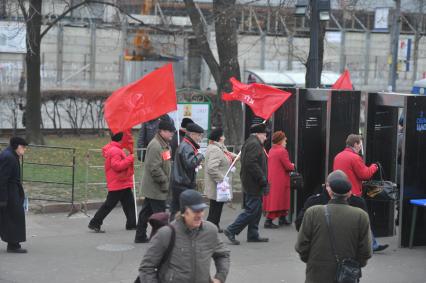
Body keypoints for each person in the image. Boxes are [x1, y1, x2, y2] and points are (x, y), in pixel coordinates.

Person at [295, 170, 372, 283]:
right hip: (347, 272)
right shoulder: (360, 211)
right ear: (349, 191)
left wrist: (311, 259)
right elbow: (365, 250)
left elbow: (302, 243)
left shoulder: (313, 207)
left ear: (328, 188)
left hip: (317, 271)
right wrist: (356, 264)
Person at [138, 190, 230, 283]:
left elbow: (223, 255)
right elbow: (147, 268)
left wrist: (220, 277)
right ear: (183, 212)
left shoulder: (210, 231)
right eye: (195, 211)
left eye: (202, 210)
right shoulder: (166, 233)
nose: (200, 214)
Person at [333, 133, 388, 252]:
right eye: (360, 144)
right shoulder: (355, 158)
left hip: (339, 194)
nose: (360, 147)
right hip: (353, 194)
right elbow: (365, 174)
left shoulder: (338, 156)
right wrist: (374, 167)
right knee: (364, 219)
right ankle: (372, 244)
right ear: (355, 144)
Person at [224, 123, 269, 245]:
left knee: (257, 209)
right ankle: (231, 230)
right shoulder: (254, 144)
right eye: (265, 134)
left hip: (252, 181)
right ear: (259, 134)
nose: (266, 137)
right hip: (253, 182)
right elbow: (251, 164)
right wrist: (262, 179)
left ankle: (253, 234)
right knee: (252, 210)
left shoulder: (251, 142)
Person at [134, 120, 176, 243]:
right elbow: (154, 168)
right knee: (160, 215)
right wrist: (164, 181)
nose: (172, 134)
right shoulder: (155, 145)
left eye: (172, 131)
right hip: (156, 186)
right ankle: (162, 240)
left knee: (145, 212)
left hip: (157, 186)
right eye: (169, 132)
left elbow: (166, 163)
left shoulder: (165, 144)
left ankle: (140, 236)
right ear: (161, 131)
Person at [88, 132, 136, 232]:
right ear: (120, 140)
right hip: (118, 183)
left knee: (129, 203)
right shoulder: (115, 151)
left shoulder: (116, 149)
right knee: (109, 204)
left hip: (122, 182)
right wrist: (130, 158)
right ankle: (95, 223)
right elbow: (117, 166)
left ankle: (131, 224)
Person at [204, 128, 237, 233]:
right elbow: (212, 168)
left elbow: (228, 155)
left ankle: (214, 225)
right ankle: (210, 228)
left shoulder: (220, 147)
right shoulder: (215, 149)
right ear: (219, 138)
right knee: (215, 208)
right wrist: (222, 180)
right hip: (217, 184)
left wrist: (238, 157)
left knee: (217, 207)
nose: (225, 137)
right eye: (223, 135)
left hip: (219, 185)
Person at [169, 122, 205, 219]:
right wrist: (200, 155)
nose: (200, 138)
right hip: (183, 184)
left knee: (176, 209)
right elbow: (190, 163)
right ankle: (177, 230)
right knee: (184, 211)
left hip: (179, 182)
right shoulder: (187, 146)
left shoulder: (186, 144)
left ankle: (172, 229)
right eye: (199, 135)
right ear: (192, 134)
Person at [0, 137, 28, 253]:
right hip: (9, 193)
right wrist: (3, 199)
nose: (24, 150)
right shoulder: (8, 157)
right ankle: (13, 245)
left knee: (11, 218)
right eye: (23, 147)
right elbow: (2, 179)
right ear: (16, 146)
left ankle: (13, 243)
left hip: (12, 192)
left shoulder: (11, 155)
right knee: (14, 218)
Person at [263, 131, 295, 228]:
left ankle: (282, 218)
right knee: (280, 199)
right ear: (280, 140)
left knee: (279, 199)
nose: (286, 140)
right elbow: (288, 166)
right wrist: (293, 165)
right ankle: (269, 220)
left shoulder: (272, 150)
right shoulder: (282, 151)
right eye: (284, 139)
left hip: (274, 179)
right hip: (281, 180)